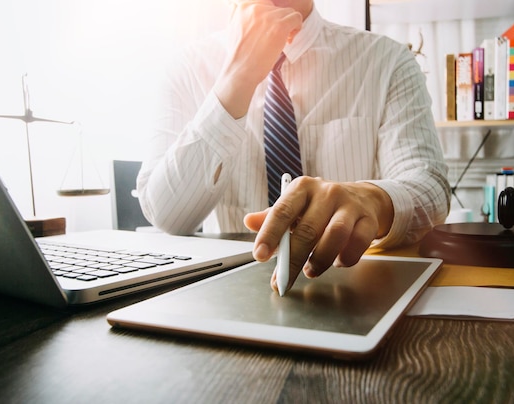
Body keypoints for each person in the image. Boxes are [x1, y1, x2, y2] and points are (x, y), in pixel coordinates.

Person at [137, 0, 450, 294]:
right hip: (222, 296)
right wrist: (237, 78)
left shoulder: (387, 60)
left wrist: (372, 199)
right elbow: (167, 215)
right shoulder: (184, 69)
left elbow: (432, 190)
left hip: (348, 291)